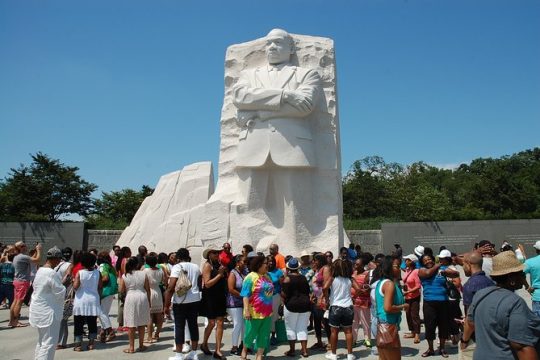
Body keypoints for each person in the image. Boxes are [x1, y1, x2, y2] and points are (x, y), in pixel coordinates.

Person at [232, 28, 322, 251]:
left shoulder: (307, 75)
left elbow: (306, 107)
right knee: (250, 205)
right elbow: (240, 97)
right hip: (253, 145)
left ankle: (298, 251)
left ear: (291, 48)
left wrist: (259, 112)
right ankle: (249, 253)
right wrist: (285, 95)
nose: (271, 47)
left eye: (278, 43)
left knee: (295, 206)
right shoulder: (249, 75)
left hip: (293, 146)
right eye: (268, 43)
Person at [462, 250, 540, 359]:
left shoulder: (480, 295)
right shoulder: (515, 303)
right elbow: (521, 346)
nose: (523, 278)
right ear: (511, 279)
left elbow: (469, 322)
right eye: (521, 274)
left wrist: (464, 342)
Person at [418, 252, 458, 358]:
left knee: (443, 326)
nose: (428, 261)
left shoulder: (442, 268)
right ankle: (430, 349)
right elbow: (427, 274)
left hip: (443, 301)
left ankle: (442, 348)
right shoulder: (422, 270)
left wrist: (445, 271)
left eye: (429, 259)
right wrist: (438, 265)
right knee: (430, 326)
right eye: (425, 260)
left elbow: (456, 274)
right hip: (429, 303)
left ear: (432, 259)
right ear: (422, 263)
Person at [29, 246, 66, 360]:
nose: (60, 262)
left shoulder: (40, 270)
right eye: (59, 259)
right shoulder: (51, 273)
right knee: (49, 343)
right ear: (54, 259)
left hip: (38, 309)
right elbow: (59, 292)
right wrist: (65, 284)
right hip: (49, 312)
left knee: (42, 341)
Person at [165, 248, 202, 360]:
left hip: (180, 301)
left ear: (178, 257)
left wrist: (166, 305)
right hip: (194, 300)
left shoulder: (177, 267)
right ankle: (194, 353)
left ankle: (179, 355)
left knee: (179, 327)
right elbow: (199, 282)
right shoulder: (195, 266)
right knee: (193, 326)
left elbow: (171, 287)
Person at [240, 254, 274, 360]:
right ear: (259, 264)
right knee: (250, 334)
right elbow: (245, 295)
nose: (267, 265)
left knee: (264, 336)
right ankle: (244, 353)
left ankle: (259, 356)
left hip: (267, 312)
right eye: (265, 263)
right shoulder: (250, 277)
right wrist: (246, 310)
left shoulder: (267, 276)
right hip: (253, 312)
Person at [375, 256, 407, 360]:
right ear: (388, 267)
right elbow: (387, 308)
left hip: (384, 325)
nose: (399, 269)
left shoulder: (383, 282)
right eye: (396, 266)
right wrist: (403, 306)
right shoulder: (389, 284)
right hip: (388, 327)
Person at [200, 247, 228, 359]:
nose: (217, 254)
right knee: (211, 323)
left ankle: (217, 350)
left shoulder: (218, 264)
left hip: (220, 296)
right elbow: (207, 284)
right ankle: (204, 343)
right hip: (210, 298)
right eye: (214, 253)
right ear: (209, 255)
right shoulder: (207, 266)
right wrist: (219, 275)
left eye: (218, 252)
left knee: (220, 322)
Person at [120, 256, 151, 354]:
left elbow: (121, 290)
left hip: (131, 297)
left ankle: (131, 347)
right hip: (142, 297)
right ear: (137, 264)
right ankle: (141, 345)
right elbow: (147, 289)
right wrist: (149, 302)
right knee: (141, 323)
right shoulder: (143, 274)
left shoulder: (125, 275)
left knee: (131, 324)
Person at [72, 252, 102, 351]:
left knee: (78, 323)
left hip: (81, 300)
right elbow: (100, 287)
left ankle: (78, 344)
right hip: (93, 299)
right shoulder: (98, 273)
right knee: (92, 322)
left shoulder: (80, 273)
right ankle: (91, 343)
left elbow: (75, 287)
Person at [282, 257, 311, 357]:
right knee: (302, 328)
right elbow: (307, 291)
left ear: (289, 268)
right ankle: (304, 351)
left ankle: (292, 350)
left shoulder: (287, 279)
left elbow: (284, 294)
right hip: (305, 305)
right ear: (298, 267)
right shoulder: (303, 278)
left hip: (291, 305)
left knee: (290, 328)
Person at [10, 241, 41, 328]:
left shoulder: (17, 257)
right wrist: (38, 250)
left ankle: (12, 320)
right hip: (22, 282)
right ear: (20, 248)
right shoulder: (23, 257)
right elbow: (37, 260)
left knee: (15, 301)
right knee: (19, 302)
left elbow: (31, 260)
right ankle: (15, 322)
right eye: (23, 245)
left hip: (17, 281)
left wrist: (35, 251)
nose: (25, 246)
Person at [310, 253, 332, 351]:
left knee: (325, 322)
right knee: (317, 321)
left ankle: (330, 343)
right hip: (316, 299)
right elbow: (315, 286)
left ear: (320, 261)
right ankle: (319, 342)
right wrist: (313, 296)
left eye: (315, 260)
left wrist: (321, 298)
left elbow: (326, 286)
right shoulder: (317, 270)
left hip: (323, 299)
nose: (313, 262)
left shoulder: (325, 269)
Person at [144, 253, 167, 343]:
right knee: (159, 315)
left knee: (149, 316)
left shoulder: (145, 270)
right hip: (158, 291)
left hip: (149, 291)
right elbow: (164, 282)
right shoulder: (161, 270)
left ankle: (149, 337)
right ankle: (157, 334)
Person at [97, 251, 118, 343]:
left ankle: (110, 332)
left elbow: (105, 278)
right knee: (104, 312)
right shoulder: (111, 266)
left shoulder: (102, 266)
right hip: (111, 290)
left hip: (105, 290)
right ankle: (103, 332)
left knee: (101, 312)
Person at [227, 254, 246, 355]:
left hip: (243, 303)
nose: (246, 263)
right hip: (234, 303)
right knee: (238, 324)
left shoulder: (244, 272)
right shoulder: (232, 273)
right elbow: (231, 289)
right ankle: (234, 347)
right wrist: (243, 296)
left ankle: (243, 344)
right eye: (244, 261)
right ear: (238, 263)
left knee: (244, 325)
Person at [55, 247, 74, 350]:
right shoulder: (67, 265)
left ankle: (60, 342)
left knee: (62, 320)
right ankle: (61, 341)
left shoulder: (58, 265)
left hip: (62, 294)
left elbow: (67, 278)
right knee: (63, 320)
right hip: (63, 294)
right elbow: (67, 277)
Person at [351, 256, 372, 348]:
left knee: (365, 322)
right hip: (353, 302)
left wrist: (361, 290)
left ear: (363, 265)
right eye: (355, 264)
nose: (355, 266)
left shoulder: (367, 274)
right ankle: (353, 340)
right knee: (354, 323)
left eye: (357, 264)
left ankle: (367, 340)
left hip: (363, 302)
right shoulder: (353, 273)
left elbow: (367, 289)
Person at [401, 254, 421, 344]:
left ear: (412, 261)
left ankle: (417, 334)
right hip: (407, 296)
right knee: (408, 314)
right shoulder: (407, 270)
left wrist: (408, 292)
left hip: (414, 296)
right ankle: (412, 332)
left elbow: (418, 286)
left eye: (407, 260)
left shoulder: (416, 271)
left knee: (414, 315)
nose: (405, 261)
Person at [266, 254, 285, 345]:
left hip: (275, 296)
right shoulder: (263, 271)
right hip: (264, 298)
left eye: (272, 261)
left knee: (274, 316)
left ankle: (273, 335)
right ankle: (265, 335)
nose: (270, 263)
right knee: (266, 316)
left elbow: (282, 286)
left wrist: (283, 299)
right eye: (269, 261)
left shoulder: (279, 272)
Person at [525, 240, 540, 318]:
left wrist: (527, 286)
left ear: (536, 250)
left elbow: (520, 274)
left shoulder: (530, 262)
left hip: (537, 295)